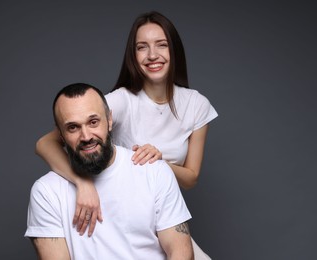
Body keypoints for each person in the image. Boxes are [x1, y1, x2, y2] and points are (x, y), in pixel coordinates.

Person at [36, 11, 217, 259]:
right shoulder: (121, 100)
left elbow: (191, 177)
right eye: (142, 47)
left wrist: (157, 162)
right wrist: (82, 182)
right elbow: (49, 141)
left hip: (159, 218)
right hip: (113, 214)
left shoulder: (196, 104)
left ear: (174, 50)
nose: (152, 55)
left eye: (161, 45)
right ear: (133, 56)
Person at [25, 83, 194, 260]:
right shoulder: (46, 191)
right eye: (73, 127)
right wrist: (82, 182)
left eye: (93, 122)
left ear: (110, 120)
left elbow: (180, 252)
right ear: (60, 134)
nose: (86, 136)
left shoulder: (154, 172)